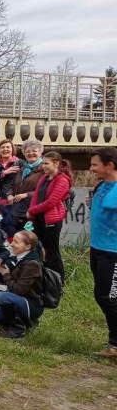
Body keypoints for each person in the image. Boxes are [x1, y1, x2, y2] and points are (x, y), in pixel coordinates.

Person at [87, 147, 117, 358]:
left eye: (95, 165)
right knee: (101, 295)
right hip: (97, 248)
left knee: (110, 297)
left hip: (113, 252)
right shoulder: (101, 185)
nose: (91, 168)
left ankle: (115, 344)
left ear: (110, 165)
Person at [0, 230, 44, 339]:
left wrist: (5, 274)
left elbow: (19, 290)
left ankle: (17, 329)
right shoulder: (19, 258)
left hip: (31, 304)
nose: (11, 244)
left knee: (2, 296)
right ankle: (27, 322)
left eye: (16, 242)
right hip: (19, 299)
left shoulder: (32, 264)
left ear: (28, 246)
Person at [27, 151, 72, 280]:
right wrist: (31, 210)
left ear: (56, 163)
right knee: (39, 249)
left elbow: (51, 202)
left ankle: (58, 280)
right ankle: (45, 278)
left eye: (46, 163)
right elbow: (36, 196)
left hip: (51, 220)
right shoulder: (44, 178)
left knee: (52, 251)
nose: (43, 166)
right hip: (38, 218)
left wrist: (32, 210)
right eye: (43, 163)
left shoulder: (62, 180)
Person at [3, 139, 45, 232]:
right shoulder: (22, 169)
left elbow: (45, 191)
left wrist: (26, 195)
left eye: (34, 151)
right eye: (28, 151)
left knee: (32, 238)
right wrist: (9, 194)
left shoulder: (44, 169)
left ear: (40, 152)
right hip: (18, 211)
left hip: (34, 212)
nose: (31, 153)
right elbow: (13, 185)